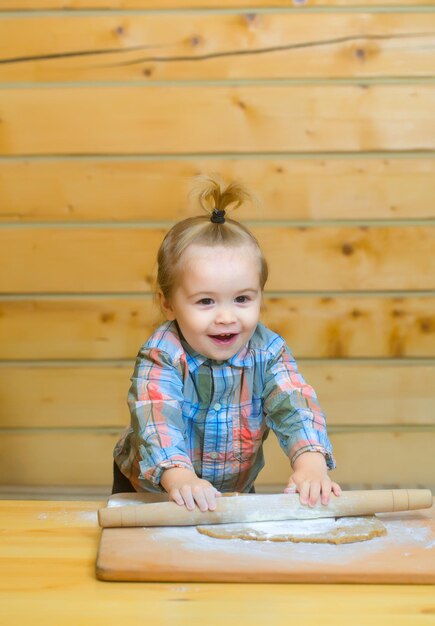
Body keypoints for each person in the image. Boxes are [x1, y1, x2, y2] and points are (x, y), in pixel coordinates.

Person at [112, 175, 341, 512]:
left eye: (242, 299)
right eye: (206, 301)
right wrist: (179, 476)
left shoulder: (268, 351)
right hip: (154, 487)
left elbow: (295, 406)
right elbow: (156, 419)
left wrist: (311, 464)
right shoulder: (163, 354)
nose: (226, 317)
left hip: (233, 491)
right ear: (168, 303)